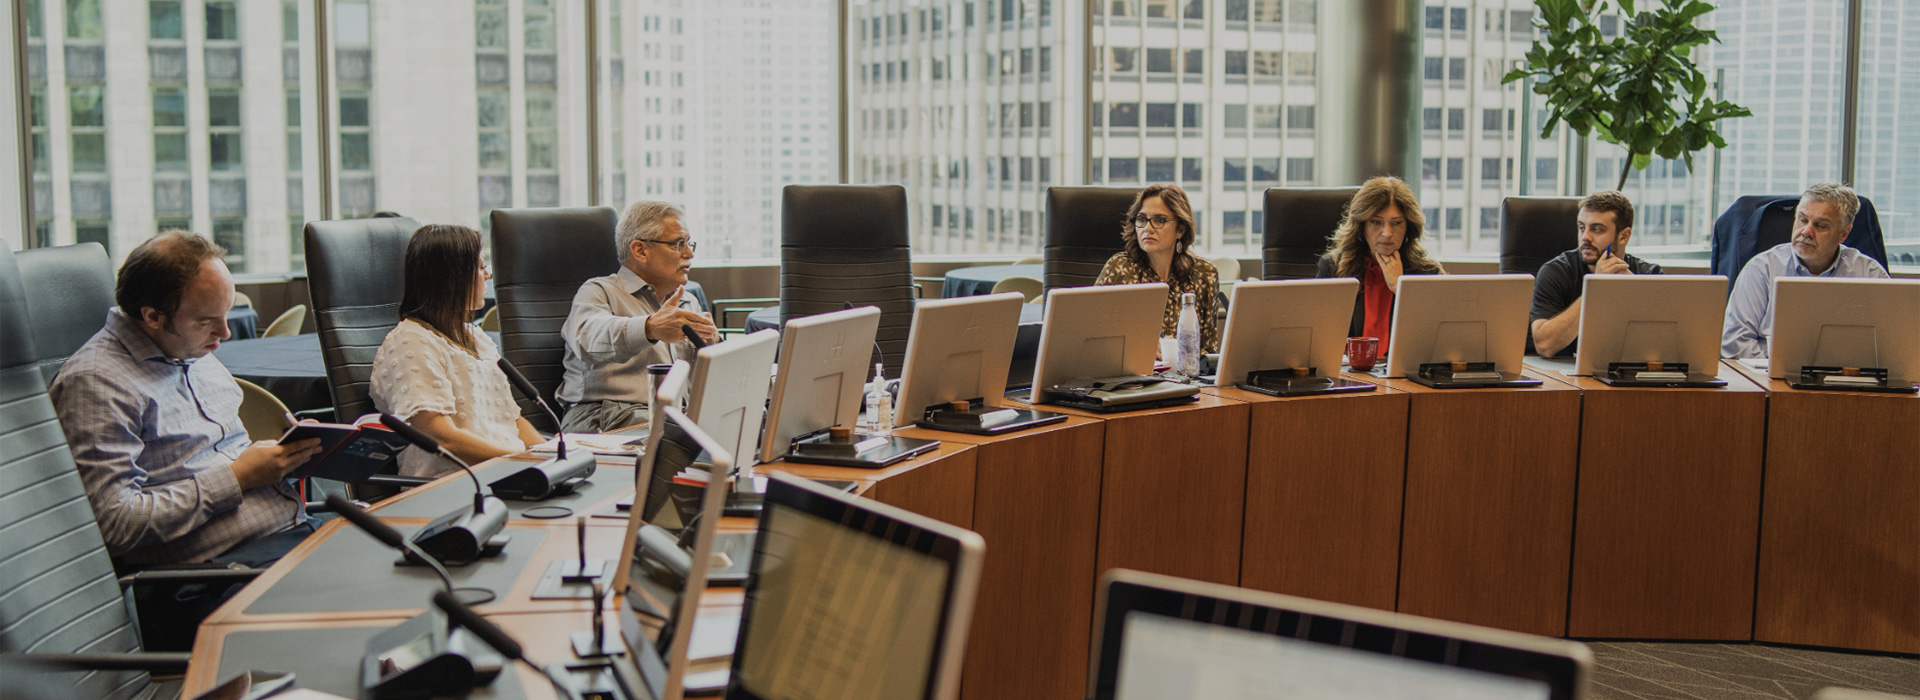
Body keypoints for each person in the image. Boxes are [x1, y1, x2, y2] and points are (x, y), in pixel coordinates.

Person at [50, 231, 325, 569]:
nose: (224, 333)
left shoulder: (188, 348)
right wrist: (237, 478)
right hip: (218, 571)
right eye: (207, 321)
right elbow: (115, 524)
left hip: (287, 535)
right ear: (153, 317)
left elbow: (220, 455)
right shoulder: (96, 384)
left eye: (226, 314)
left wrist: (289, 455)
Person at [370, 224, 542, 477]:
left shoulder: (477, 337)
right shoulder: (410, 341)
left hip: (504, 471)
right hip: (453, 482)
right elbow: (440, 436)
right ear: (452, 277)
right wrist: (518, 462)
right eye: (481, 266)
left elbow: (511, 420)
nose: (488, 275)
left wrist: (549, 455)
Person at [557, 201, 719, 432]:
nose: (689, 253)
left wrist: (713, 347)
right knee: (681, 435)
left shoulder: (688, 302)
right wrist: (650, 328)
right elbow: (588, 340)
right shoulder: (599, 291)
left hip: (674, 416)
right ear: (640, 250)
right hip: (604, 415)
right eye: (678, 244)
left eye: (689, 243)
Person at [1722, 183, 1890, 359]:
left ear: (1843, 234)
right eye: (1802, 220)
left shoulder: (1870, 274)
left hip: (1848, 380)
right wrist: (1777, 366)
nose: (1807, 231)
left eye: (1821, 226)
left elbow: (1892, 345)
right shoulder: (1762, 269)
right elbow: (1734, 344)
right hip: (1770, 380)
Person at [1315, 176, 1445, 354]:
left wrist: (1400, 289)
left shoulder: (1427, 272)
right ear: (1362, 226)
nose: (1387, 233)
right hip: (1350, 376)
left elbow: (1442, 336)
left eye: (1396, 223)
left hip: (1405, 378)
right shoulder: (1333, 268)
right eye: (1376, 222)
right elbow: (1316, 339)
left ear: (1409, 226)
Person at [1529, 191, 1664, 358]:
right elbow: (1544, 346)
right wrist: (1595, 288)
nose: (1585, 237)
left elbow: (1662, 348)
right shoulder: (1555, 272)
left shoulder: (1650, 275)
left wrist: (1634, 293)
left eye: (1597, 229)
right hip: (1565, 376)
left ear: (1623, 236)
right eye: (1581, 228)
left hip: (1627, 374)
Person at [1094, 183, 1221, 354]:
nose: (1147, 228)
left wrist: (1176, 351)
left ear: (1180, 230)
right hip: (1134, 375)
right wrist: (1141, 348)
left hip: (1186, 375)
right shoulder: (1120, 269)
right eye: (1141, 219)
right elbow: (1094, 338)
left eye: (1159, 220)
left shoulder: (1204, 274)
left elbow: (1209, 350)